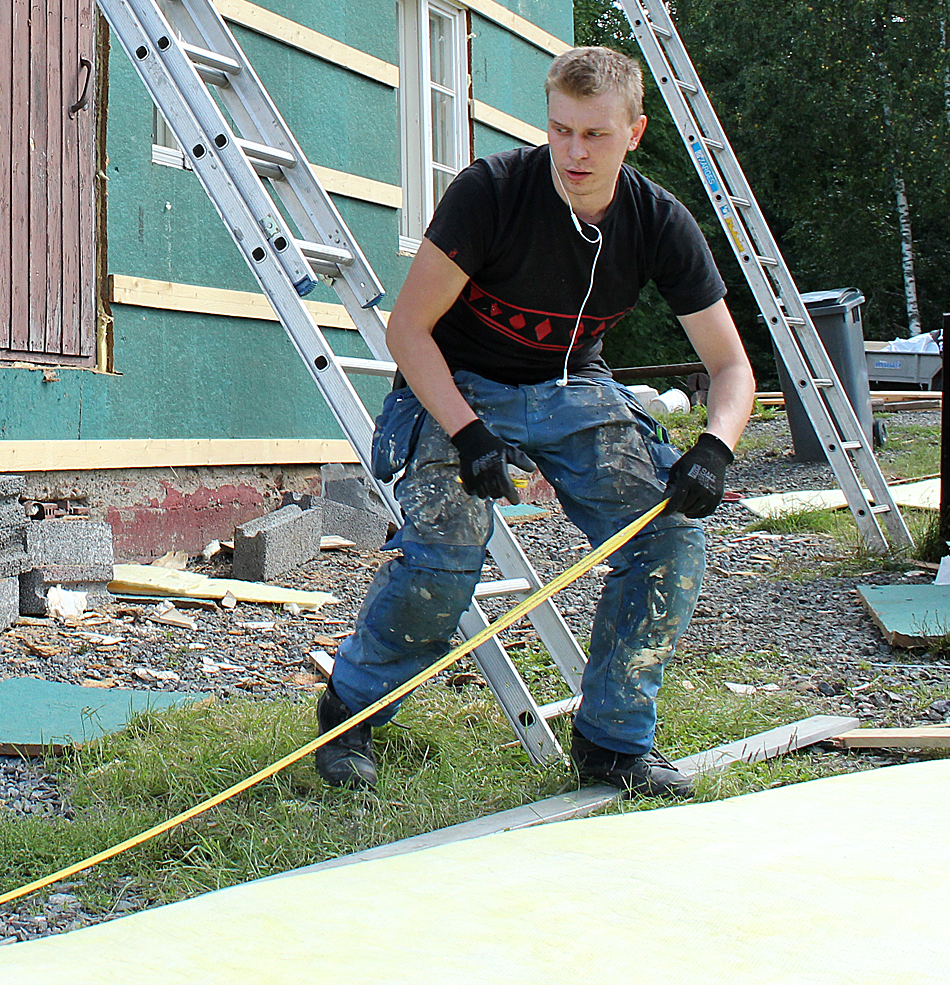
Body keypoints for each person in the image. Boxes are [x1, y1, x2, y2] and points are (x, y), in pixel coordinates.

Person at [317, 45, 755, 798]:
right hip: (455, 383)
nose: (574, 153)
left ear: (634, 132)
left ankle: (612, 743)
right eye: (559, 131)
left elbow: (732, 368)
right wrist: (466, 432)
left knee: (670, 540)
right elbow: (406, 332)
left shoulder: (657, 221)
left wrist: (713, 449)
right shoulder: (489, 192)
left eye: (594, 135)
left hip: (569, 385)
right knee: (445, 557)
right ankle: (347, 713)